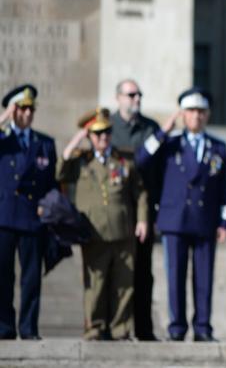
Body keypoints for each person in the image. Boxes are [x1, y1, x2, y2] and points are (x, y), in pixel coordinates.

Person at [136, 88, 226, 342]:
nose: (196, 117)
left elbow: (224, 189)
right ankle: (176, 328)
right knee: (175, 276)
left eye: (201, 112)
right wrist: (163, 130)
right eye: (190, 111)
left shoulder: (218, 147)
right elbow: (141, 160)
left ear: (207, 115)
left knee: (204, 277)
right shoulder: (169, 143)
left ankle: (202, 327)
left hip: (205, 220)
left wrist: (225, 220)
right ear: (182, 114)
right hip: (174, 219)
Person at [59, 108, 148, 340]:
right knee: (95, 284)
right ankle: (95, 327)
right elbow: (59, 172)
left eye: (107, 132)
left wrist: (142, 220)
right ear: (90, 136)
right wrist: (78, 138)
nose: (103, 138)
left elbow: (140, 193)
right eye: (97, 133)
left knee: (123, 284)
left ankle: (120, 329)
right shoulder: (81, 160)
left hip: (123, 230)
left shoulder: (123, 159)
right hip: (94, 233)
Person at [0, 85, 57, 340]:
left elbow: (52, 183)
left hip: (32, 217)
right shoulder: (3, 140)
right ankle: (4, 326)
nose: (27, 113)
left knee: (31, 278)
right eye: (21, 108)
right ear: (13, 110)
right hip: (4, 216)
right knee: (3, 276)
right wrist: (3, 119)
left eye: (30, 109)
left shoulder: (44, 143)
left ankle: (28, 327)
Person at [109, 79, 161, 341]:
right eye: (131, 94)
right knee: (113, 271)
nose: (136, 98)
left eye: (139, 94)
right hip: (115, 211)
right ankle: (110, 327)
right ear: (118, 97)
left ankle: (144, 328)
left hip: (144, 212)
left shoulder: (151, 128)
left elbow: (159, 171)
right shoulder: (107, 127)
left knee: (142, 273)